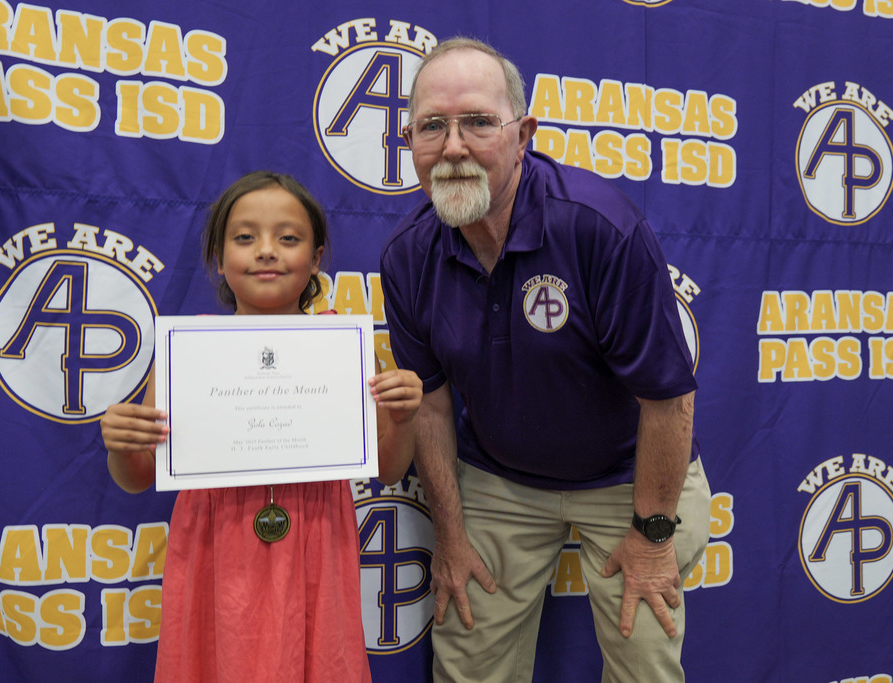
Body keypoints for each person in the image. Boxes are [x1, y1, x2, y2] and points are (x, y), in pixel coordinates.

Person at [379, 38, 712, 683]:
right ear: (409, 141)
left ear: (523, 133)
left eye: (477, 122)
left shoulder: (598, 227)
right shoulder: (406, 255)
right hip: (501, 479)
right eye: (432, 127)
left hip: (630, 481)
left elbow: (667, 399)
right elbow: (432, 402)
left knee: (645, 661)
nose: (453, 147)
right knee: (468, 660)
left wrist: (652, 535)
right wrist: (450, 534)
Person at [102, 170, 423, 682]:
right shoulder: (189, 351)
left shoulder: (344, 346)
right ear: (218, 256)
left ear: (316, 257)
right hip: (216, 541)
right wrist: (122, 445)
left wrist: (404, 417)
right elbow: (138, 475)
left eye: (288, 238)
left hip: (317, 536)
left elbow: (388, 467)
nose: (266, 251)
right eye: (245, 237)